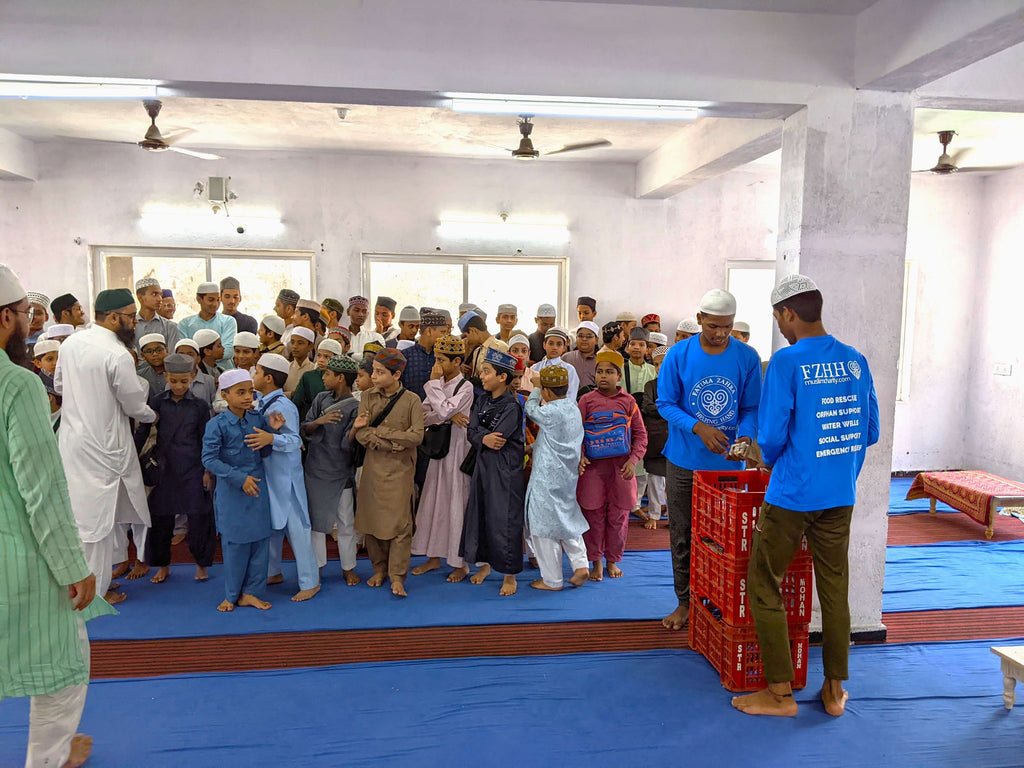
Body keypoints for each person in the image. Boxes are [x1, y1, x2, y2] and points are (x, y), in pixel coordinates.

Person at [733, 275, 879, 719]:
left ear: (787, 314)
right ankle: (834, 692)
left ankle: (779, 694)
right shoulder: (855, 361)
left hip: (792, 495)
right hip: (839, 494)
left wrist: (760, 454)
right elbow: (870, 431)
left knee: (763, 582)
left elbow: (773, 437)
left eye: (778, 317)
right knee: (834, 590)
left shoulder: (786, 363)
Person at [0, 265, 110, 768]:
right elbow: (41, 489)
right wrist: (73, 567)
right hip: (18, 557)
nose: (28, 324)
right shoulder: (17, 384)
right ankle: (48, 759)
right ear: (7, 318)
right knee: (66, 663)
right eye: (26, 315)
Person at [656, 288, 762, 631]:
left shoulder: (747, 357)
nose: (719, 334)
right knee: (683, 535)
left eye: (727, 327)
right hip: (685, 462)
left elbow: (750, 408)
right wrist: (698, 427)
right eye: (713, 326)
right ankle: (685, 602)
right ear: (700, 319)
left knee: (724, 540)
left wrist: (745, 438)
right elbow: (665, 404)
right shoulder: (678, 355)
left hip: (729, 467)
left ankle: (718, 601)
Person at [54, 288, 156, 607]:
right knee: (98, 525)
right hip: (106, 449)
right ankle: (95, 596)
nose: (135, 323)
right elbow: (134, 404)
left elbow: (59, 384)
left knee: (83, 518)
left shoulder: (71, 343)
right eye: (131, 317)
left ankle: (89, 583)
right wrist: (155, 414)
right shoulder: (116, 354)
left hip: (73, 444)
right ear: (113, 318)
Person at [202, 369, 283, 612]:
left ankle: (251, 593)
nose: (248, 397)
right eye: (241, 392)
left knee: (260, 541)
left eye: (250, 391)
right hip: (233, 491)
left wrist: (273, 433)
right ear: (225, 396)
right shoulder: (216, 425)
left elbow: (265, 452)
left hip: (257, 487)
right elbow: (209, 459)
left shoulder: (257, 419)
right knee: (236, 544)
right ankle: (231, 594)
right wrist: (239, 478)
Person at [134, 353, 216, 584]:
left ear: (192, 377)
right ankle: (163, 566)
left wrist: (207, 471)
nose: (179, 386)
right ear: (166, 377)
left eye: (184, 381)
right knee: (160, 520)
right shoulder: (157, 403)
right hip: (164, 469)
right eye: (174, 380)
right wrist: (132, 459)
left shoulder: (199, 406)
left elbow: (205, 439)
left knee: (199, 519)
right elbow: (142, 433)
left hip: (193, 468)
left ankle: (201, 565)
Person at [248, 353, 321, 602]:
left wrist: (272, 438)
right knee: (272, 527)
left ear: (268, 378)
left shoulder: (283, 406)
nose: (253, 376)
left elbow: (295, 440)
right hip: (269, 475)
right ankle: (273, 571)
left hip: (286, 479)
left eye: (256, 372)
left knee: (297, 528)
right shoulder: (262, 402)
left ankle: (310, 581)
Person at [353, 348, 425, 597]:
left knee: (400, 525)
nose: (373, 376)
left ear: (396, 374)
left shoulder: (412, 400)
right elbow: (361, 433)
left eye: (380, 372)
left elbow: (416, 436)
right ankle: (379, 569)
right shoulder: (368, 397)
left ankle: (397, 576)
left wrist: (381, 434)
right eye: (373, 371)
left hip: (401, 470)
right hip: (374, 468)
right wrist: (393, 443)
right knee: (372, 522)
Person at [577, 350, 648, 581]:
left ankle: (612, 560)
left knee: (618, 518)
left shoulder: (629, 402)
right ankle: (595, 560)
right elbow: (575, 433)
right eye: (599, 371)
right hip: (593, 470)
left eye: (609, 372)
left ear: (619, 376)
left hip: (621, 470)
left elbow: (641, 436)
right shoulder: (586, 401)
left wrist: (633, 460)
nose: (603, 376)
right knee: (593, 515)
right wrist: (580, 455)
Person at [461, 347, 525, 596]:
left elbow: (499, 437)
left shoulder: (512, 405)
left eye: (487, 372)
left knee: (505, 519)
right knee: (483, 514)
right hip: (484, 464)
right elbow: (471, 431)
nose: (482, 376)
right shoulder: (481, 399)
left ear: (502, 377)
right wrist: (483, 438)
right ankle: (486, 565)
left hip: (505, 469)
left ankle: (510, 575)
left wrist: (482, 437)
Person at [410, 334, 475, 582]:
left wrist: (436, 391)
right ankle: (434, 556)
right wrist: (446, 414)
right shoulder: (439, 384)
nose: (435, 366)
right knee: (434, 500)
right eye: (435, 359)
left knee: (456, 501)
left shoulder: (465, 387)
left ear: (457, 361)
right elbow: (426, 417)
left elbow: (445, 409)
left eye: (440, 360)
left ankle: (460, 564)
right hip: (439, 451)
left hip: (458, 450)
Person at [520, 365, 590, 591]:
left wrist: (536, 388)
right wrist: (533, 447)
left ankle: (552, 580)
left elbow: (530, 408)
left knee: (543, 528)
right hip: (566, 477)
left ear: (548, 392)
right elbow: (555, 437)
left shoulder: (550, 411)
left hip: (546, 479)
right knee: (567, 520)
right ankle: (580, 564)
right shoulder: (572, 407)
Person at [303, 353, 361, 586]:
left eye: (327, 373)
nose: (323, 376)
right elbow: (305, 427)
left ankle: (349, 568)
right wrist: (320, 422)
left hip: (341, 472)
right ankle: (316, 568)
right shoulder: (320, 399)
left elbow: (347, 445)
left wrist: (355, 429)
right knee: (317, 524)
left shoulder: (355, 407)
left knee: (346, 522)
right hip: (316, 469)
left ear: (340, 378)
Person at [622, 327, 658, 520]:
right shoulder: (621, 369)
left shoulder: (653, 370)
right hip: (625, 421)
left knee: (644, 463)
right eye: (633, 344)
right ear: (627, 347)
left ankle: (636, 504)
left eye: (641, 344)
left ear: (647, 349)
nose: (636, 347)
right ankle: (626, 502)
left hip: (648, 421)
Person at [640, 346, 670, 529]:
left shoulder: (679, 385)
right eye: (656, 364)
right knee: (655, 480)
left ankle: (674, 518)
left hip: (675, 438)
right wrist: (670, 411)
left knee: (675, 482)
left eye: (663, 363)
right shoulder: (651, 385)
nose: (659, 367)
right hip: (656, 437)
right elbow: (647, 407)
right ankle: (654, 515)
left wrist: (667, 411)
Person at [178, 282, 237, 370]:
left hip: (225, 371)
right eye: (211, 300)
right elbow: (184, 353)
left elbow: (228, 351)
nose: (215, 304)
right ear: (199, 299)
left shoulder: (228, 321)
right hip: (195, 372)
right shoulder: (185, 324)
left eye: (218, 300)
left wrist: (199, 356)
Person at [291, 337, 343, 420]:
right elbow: (297, 403)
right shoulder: (308, 376)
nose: (321, 360)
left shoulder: (341, 378)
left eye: (327, 357)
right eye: (319, 355)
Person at [400, 308, 446, 401]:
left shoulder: (444, 357)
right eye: (442, 332)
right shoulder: (405, 356)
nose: (445, 337)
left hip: (439, 411)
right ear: (428, 331)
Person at [530, 327, 581, 402]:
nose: (554, 347)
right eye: (551, 343)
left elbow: (571, 397)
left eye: (559, 344)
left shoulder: (569, 370)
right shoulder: (535, 368)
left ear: (564, 347)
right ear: (544, 345)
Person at [133, 277, 179, 351]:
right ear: (140, 297)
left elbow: (171, 358)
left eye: (160, 294)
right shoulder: (130, 326)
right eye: (154, 294)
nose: (160, 299)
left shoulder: (170, 327)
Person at [175, 338, 217, 407]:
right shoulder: (171, 381)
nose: (186, 358)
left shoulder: (209, 381)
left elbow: (214, 407)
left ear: (198, 358)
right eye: (181, 354)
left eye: (190, 354)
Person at [563, 320, 599, 392]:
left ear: (596, 340)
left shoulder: (601, 360)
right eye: (580, 336)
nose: (584, 339)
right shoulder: (566, 358)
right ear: (576, 338)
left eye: (589, 336)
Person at [348, 295, 385, 360]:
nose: (361, 315)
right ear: (348, 312)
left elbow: (377, 358)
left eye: (364, 311)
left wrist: (350, 355)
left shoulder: (376, 337)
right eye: (357, 310)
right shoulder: (341, 336)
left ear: (367, 314)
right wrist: (365, 355)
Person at [284, 326, 316, 397]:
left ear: (310, 346)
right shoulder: (285, 368)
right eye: (292, 342)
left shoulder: (314, 370)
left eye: (300, 343)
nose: (295, 346)